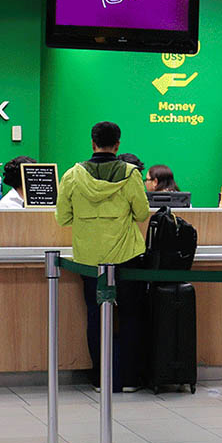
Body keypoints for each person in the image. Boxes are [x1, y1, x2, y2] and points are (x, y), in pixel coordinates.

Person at [56, 122, 151, 392]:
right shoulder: (131, 173)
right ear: (118, 144)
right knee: (131, 316)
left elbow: (62, 217)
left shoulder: (73, 175)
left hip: (89, 261)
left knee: (96, 316)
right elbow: (143, 213)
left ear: (92, 142)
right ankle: (129, 379)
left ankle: (102, 379)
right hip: (126, 255)